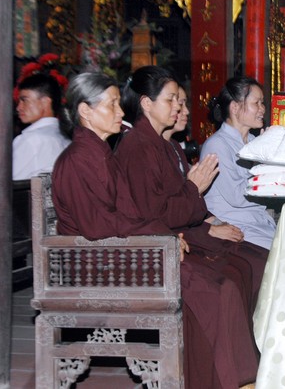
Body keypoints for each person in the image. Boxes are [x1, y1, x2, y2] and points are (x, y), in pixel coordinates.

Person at [53, 72, 256, 389]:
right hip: (100, 263)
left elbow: (130, 214)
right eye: (112, 105)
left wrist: (163, 233)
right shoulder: (78, 159)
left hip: (123, 251)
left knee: (220, 280)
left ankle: (227, 379)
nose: (121, 112)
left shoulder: (99, 153)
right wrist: (161, 235)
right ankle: (225, 380)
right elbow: (99, 225)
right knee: (213, 288)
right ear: (85, 111)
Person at [115, 66, 268, 388]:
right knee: (224, 285)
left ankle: (250, 367)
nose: (179, 108)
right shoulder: (137, 148)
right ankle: (224, 379)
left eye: (180, 101)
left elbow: (181, 208)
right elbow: (154, 214)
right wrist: (194, 190)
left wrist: (201, 211)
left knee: (245, 265)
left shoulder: (161, 144)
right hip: (153, 248)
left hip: (178, 235)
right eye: (171, 100)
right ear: (146, 103)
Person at [201, 77, 276, 250]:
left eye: (262, 103)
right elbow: (237, 197)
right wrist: (265, 167)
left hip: (260, 223)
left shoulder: (254, 141)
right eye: (256, 103)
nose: (262, 109)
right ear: (235, 107)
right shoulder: (217, 145)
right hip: (236, 227)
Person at [13, 73, 70, 180]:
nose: (19, 107)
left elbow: (5, 185)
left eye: (24, 100)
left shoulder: (30, 140)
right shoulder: (67, 138)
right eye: (19, 102)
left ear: (45, 102)